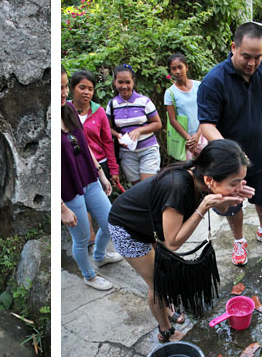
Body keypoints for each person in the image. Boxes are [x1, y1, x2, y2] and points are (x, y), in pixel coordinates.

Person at [108, 139, 254, 342]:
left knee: (160, 276)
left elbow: (221, 208)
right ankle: (166, 331)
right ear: (210, 180)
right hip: (127, 229)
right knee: (160, 284)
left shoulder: (203, 178)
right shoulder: (178, 186)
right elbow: (172, 243)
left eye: (242, 181)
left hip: (150, 225)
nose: (240, 186)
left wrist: (232, 197)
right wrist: (202, 208)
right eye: (234, 182)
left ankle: (167, 308)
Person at [198, 22, 262, 266]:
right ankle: (239, 241)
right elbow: (207, 124)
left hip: (261, 154)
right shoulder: (214, 81)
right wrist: (232, 155)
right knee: (232, 204)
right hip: (230, 164)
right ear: (233, 48)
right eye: (246, 56)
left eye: (258, 57)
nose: (252, 63)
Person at [61, 66, 123, 291]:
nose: (63, 92)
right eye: (59, 87)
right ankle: (89, 275)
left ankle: (100, 256)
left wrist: (101, 174)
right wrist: (61, 207)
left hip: (90, 178)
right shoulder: (51, 118)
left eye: (65, 86)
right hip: (69, 189)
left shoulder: (68, 111)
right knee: (81, 237)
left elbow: (85, 146)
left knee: (110, 223)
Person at [70, 69, 122, 246]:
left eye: (90, 89)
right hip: (76, 167)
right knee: (82, 207)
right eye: (82, 87)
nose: (86, 92)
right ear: (72, 88)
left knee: (101, 207)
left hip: (100, 164)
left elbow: (108, 142)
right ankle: (89, 239)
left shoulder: (98, 111)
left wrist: (113, 170)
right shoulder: (66, 111)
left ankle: (100, 243)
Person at [106, 64, 162, 185]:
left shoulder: (144, 101)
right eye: (120, 82)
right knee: (137, 190)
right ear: (115, 82)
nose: (124, 86)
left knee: (147, 186)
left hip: (148, 149)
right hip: (127, 153)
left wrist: (139, 131)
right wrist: (118, 135)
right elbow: (107, 128)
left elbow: (157, 124)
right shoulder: (112, 105)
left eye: (128, 82)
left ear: (133, 82)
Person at [164, 53, 207, 160]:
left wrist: (197, 135)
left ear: (186, 68)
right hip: (185, 139)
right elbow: (172, 119)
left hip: (203, 134)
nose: (177, 71)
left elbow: (206, 111)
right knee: (190, 171)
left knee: (208, 167)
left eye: (180, 67)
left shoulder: (199, 86)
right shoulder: (170, 93)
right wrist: (189, 138)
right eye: (173, 69)